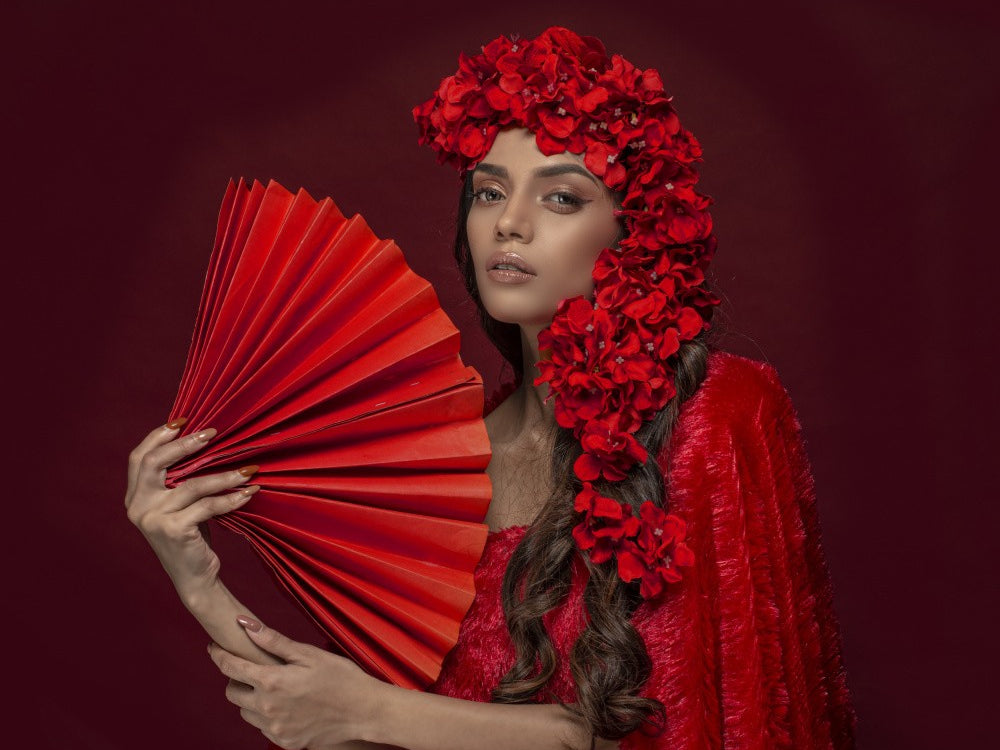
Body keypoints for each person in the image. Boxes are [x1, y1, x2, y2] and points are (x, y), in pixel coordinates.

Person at [125, 27, 855, 749]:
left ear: (633, 234)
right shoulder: (449, 455)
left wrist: (371, 714)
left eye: (561, 199)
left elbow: (686, 730)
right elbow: (336, 720)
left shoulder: (716, 417)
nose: (508, 222)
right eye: (488, 192)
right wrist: (197, 581)